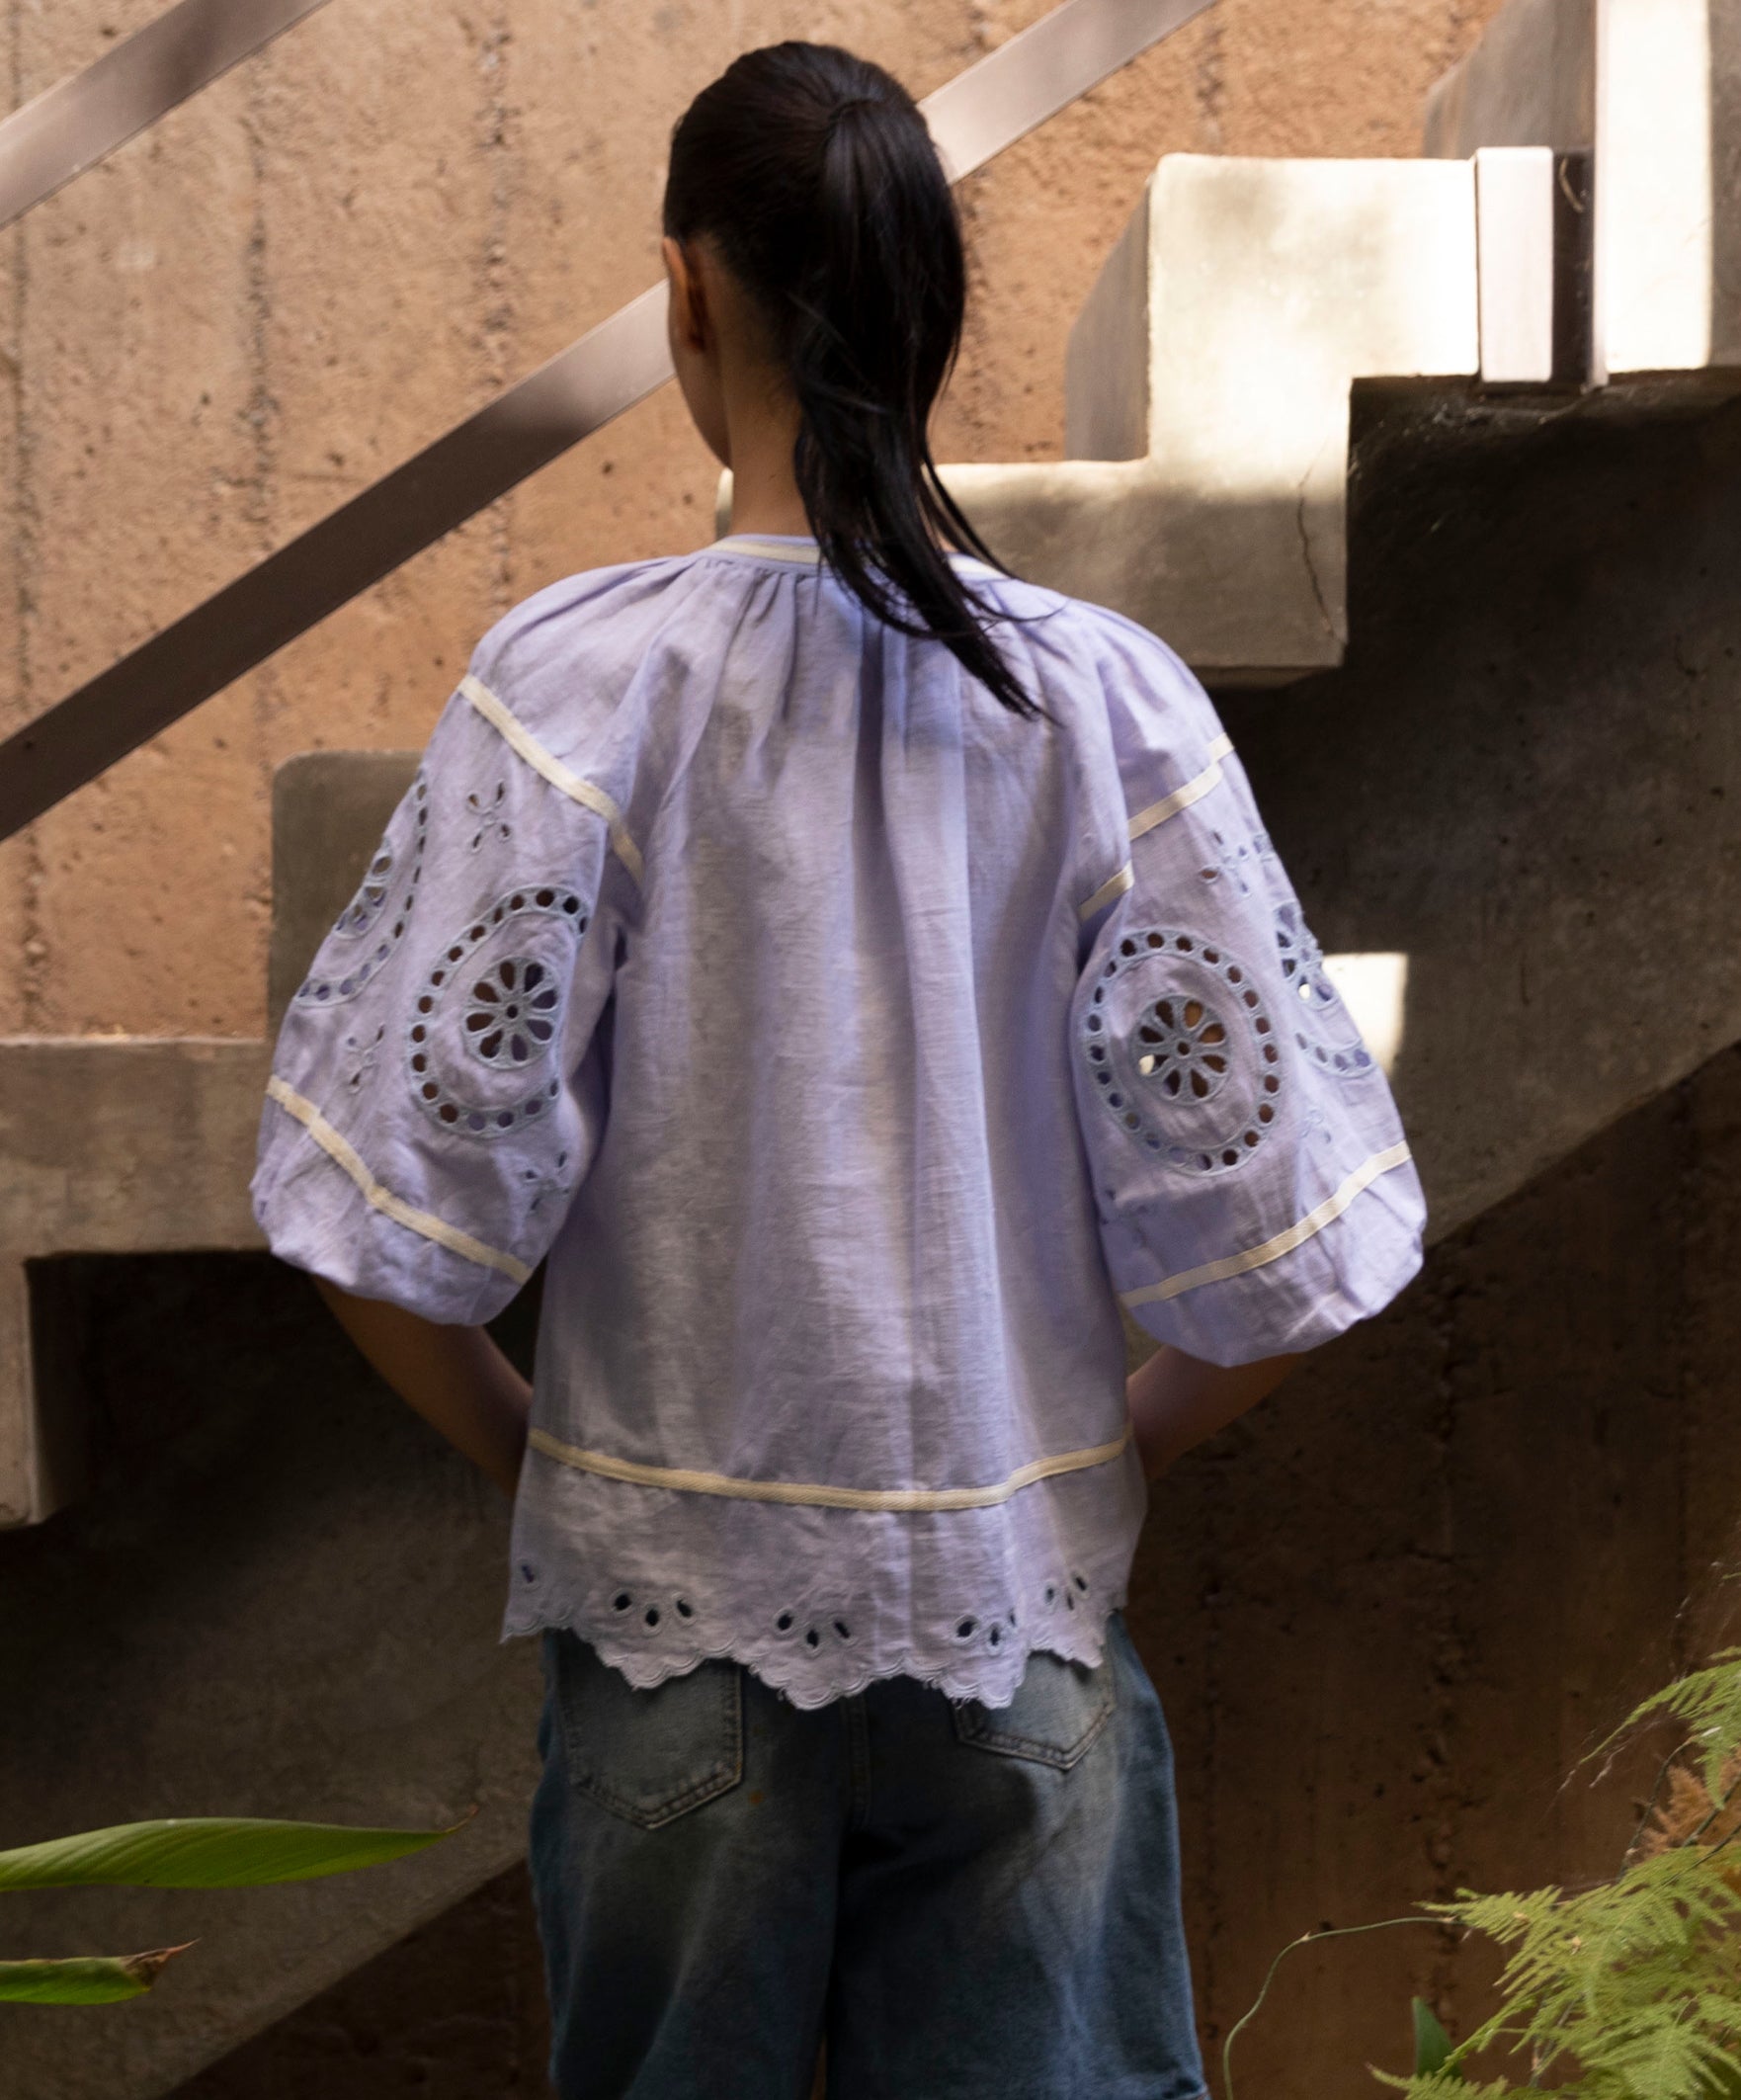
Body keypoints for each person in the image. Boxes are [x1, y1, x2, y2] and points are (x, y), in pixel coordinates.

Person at [250, 39, 1426, 2100]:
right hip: (1019, 1640)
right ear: (930, 305)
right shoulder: (1101, 712)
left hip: (663, 1646)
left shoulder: (576, 689)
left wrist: (565, 1468)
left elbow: (374, 1220)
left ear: (686, 297)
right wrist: (1073, 1468)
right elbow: (1290, 1249)